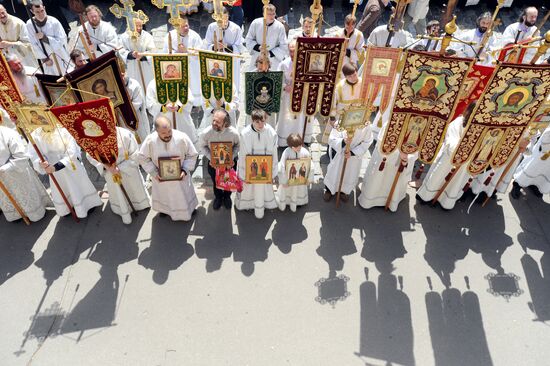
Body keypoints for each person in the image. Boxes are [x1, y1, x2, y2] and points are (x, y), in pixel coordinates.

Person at [29, 124, 102, 218]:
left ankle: (87, 204)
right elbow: (33, 154)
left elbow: (72, 152)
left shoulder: (64, 129)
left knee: (77, 186)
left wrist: (57, 166)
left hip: (70, 166)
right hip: (52, 169)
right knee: (62, 188)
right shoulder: (35, 134)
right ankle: (67, 207)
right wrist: (40, 162)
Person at [416, 103, 476, 210]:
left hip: (464, 163)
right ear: (469, 111)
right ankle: (426, 197)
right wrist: (462, 150)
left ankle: (444, 201)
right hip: (448, 159)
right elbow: (451, 140)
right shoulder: (458, 122)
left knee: (454, 182)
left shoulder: (479, 129)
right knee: (437, 177)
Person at [138, 115, 198, 221]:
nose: (168, 135)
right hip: (160, 177)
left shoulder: (182, 137)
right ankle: (165, 210)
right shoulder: (150, 141)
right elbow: (143, 158)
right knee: (164, 196)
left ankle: (189, 209)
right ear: (157, 131)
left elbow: (192, 155)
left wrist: (184, 170)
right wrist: (154, 173)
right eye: (163, 133)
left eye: (169, 131)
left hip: (181, 177)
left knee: (183, 196)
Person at [358, 108, 417, 212]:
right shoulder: (390, 124)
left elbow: (417, 149)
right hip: (386, 161)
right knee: (378, 180)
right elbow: (381, 144)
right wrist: (397, 153)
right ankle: (371, 200)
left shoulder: (415, 130)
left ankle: (391, 201)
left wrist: (407, 156)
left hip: (400, 163)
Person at [86, 127, 150, 224]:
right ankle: (122, 209)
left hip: (129, 170)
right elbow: (90, 155)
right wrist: (107, 167)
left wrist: (120, 168)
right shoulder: (92, 137)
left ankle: (140, 204)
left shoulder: (125, 134)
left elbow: (135, 155)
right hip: (110, 172)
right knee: (118, 193)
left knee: (134, 188)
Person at [0, 125, 51, 222]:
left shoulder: (8, 133)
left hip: (17, 174)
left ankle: (35, 213)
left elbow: (21, 156)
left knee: (25, 198)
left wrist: (3, 169)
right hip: (2, 182)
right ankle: (16, 215)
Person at [235, 109, 278, 219]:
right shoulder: (245, 134)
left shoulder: (271, 133)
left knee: (263, 189)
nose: (260, 124)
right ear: (252, 121)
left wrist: (273, 173)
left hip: (265, 170)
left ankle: (265, 204)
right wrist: (243, 174)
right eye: (257, 122)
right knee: (249, 189)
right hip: (250, 170)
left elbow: (274, 154)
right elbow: (243, 155)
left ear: (266, 119)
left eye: (262, 121)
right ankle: (248, 204)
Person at [198, 108, 240, 210]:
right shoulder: (206, 133)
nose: (214, 123)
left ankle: (227, 197)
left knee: (228, 180)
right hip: (213, 163)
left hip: (229, 164)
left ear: (225, 123)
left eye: (218, 121)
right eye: (213, 120)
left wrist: (231, 158)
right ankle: (218, 197)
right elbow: (202, 147)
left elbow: (238, 146)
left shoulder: (234, 133)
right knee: (216, 181)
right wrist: (211, 158)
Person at [276, 40, 314, 146]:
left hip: (301, 95)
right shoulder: (284, 64)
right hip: (288, 96)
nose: (292, 54)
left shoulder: (306, 63)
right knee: (287, 118)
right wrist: (285, 86)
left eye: (294, 51)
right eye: (290, 51)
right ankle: (284, 141)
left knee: (300, 118)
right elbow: (279, 79)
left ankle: (300, 138)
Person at [163, 14, 203, 106]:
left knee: (192, 86)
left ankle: (193, 103)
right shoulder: (169, 36)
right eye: (183, 26)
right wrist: (177, 54)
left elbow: (200, 54)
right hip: (177, 69)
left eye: (187, 25)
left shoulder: (194, 36)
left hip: (191, 67)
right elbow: (165, 54)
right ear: (176, 27)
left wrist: (186, 51)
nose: (186, 28)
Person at [204, 7, 245, 91]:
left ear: (228, 16)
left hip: (231, 61)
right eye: (221, 19)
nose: (223, 21)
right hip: (216, 61)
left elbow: (240, 48)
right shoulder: (212, 27)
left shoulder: (236, 28)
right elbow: (205, 45)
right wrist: (213, 47)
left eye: (225, 18)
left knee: (231, 88)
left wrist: (227, 46)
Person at [146, 79, 197, 146]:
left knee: (185, 148)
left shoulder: (181, 80)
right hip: (162, 120)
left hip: (182, 121)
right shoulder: (153, 84)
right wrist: (164, 107)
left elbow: (190, 100)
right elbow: (150, 105)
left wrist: (178, 106)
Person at [25, 0, 70, 76]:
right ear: (32, 11)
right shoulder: (29, 25)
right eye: (37, 12)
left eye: (42, 11)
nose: (41, 14)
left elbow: (62, 40)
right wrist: (44, 59)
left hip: (60, 56)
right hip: (47, 60)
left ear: (44, 8)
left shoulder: (54, 22)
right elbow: (32, 44)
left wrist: (45, 38)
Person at [510, 125, 550, 199]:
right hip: (546, 148)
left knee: (546, 171)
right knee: (533, 167)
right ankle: (517, 184)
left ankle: (534, 185)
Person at [245, 4, 288, 71]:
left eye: (273, 14)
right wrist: (258, 47)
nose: (272, 16)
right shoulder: (256, 23)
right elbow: (248, 40)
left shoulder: (280, 27)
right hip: (258, 57)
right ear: (263, 14)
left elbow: (284, 45)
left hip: (273, 60)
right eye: (269, 14)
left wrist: (270, 53)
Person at [277, 133, 313, 212]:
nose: (299, 148)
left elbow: (310, 165)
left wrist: (309, 179)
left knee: (299, 191)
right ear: (291, 146)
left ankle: (299, 202)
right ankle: (287, 202)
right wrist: (284, 181)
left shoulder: (305, 152)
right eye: (296, 147)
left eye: (300, 145)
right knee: (288, 191)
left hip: (300, 178)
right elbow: (282, 166)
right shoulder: (287, 152)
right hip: (289, 179)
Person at [118, 18, 156, 93]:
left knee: (147, 86)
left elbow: (152, 50)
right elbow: (120, 50)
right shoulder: (124, 37)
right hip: (131, 66)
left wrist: (142, 55)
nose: (139, 28)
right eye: (136, 26)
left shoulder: (147, 36)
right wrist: (131, 54)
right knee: (134, 88)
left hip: (145, 67)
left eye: (140, 26)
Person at [121, 63, 150, 143]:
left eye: (122, 74)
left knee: (143, 140)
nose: (121, 76)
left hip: (137, 117)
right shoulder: (114, 86)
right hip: (122, 120)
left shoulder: (134, 84)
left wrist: (122, 108)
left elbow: (137, 103)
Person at [0, 5, 37, 69]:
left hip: (26, 59)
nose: (2, 16)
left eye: (2, 12)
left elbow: (28, 44)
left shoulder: (18, 23)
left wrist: (9, 44)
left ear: (5, 10)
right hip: (12, 61)